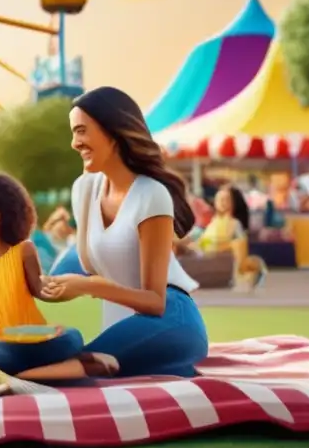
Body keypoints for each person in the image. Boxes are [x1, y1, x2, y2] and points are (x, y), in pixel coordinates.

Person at [44, 86, 209, 378]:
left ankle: (11, 380)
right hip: (122, 327)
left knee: (73, 366)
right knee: (62, 355)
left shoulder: (151, 194)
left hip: (170, 319)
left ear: (112, 130)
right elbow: (80, 265)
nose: (74, 143)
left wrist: (86, 286)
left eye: (81, 131)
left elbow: (154, 302)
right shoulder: (84, 190)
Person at [0, 168, 118, 380]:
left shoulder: (23, 250)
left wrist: (74, 284)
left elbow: (40, 289)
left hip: (28, 341)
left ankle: (3, 372)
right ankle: (57, 368)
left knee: (71, 337)